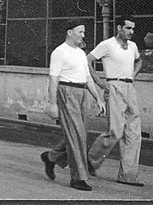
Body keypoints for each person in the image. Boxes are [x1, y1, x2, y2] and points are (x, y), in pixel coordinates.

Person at [40, 19, 106, 192]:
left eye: (84, 32)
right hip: (66, 93)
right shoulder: (59, 52)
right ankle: (78, 178)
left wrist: (98, 99)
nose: (83, 35)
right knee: (77, 136)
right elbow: (53, 78)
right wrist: (53, 104)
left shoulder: (80, 54)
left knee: (79, 134)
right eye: (80, 32)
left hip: (81, 93)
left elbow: (88, 78)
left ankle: (51, 157)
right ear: (70, 32)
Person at [87, 16, 144, 187]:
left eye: (133, 29)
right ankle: (91, 160)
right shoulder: (108, 44)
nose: (131, 32)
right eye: (128, 28)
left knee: (134, 133)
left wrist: (133, 75)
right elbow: (88, 60)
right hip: (113, 86)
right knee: (116, 131)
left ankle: (128, 176)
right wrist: (99, 82)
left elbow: (139, 60)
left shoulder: (133, 46)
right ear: (119, 27)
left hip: (129, 88)